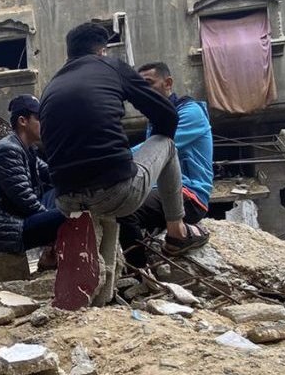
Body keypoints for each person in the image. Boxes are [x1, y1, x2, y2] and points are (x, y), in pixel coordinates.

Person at [39, 23, 202, 303]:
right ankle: (177, 232)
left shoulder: (51, 86)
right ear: (102, 51)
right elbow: (166, 115)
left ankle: (102, 294)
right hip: (116, 193)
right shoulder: (111, 67)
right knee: (167, 145)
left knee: (106, 202)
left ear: (70, 53)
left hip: (66, 202)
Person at [119, 62, 213, 269]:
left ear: (168, 83)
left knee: (126, 210)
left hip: (189, 195)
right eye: (139, 86)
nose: (142, 91)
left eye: (148, 84)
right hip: (161, 191)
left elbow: (151, 152)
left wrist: (114, 158)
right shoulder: (156, 120)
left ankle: (138, 272)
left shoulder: (189, 113)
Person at [0, 95, 63, 266]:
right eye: (39, 118)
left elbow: (54, 176)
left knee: (69, 194)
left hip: (20, 219)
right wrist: (51, 223)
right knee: (69, 215)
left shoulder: (28, 150)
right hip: (6, 230)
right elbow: (26, 201)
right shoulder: (6, 150)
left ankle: (52, 253)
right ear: (23, 121)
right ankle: (52, 258)